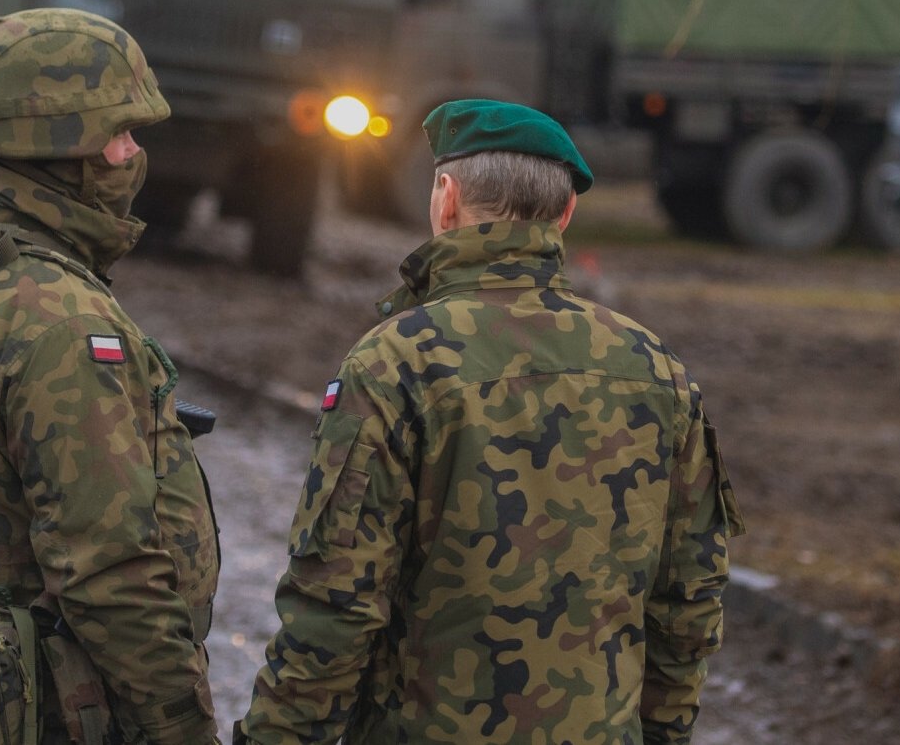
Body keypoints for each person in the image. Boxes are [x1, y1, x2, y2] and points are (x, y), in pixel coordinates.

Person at [236, 99, 744, 745]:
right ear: (565, 213)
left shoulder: (397, 361)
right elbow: (689, 599)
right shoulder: (654, 367)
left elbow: (336, 602)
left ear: (445, 199)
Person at [0, 8, 220, 744]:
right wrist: (179, 728)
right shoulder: (55, 315)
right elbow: (106, 569)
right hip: (61, 704)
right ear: (57, 143)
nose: (133, 154)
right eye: (119, 134)